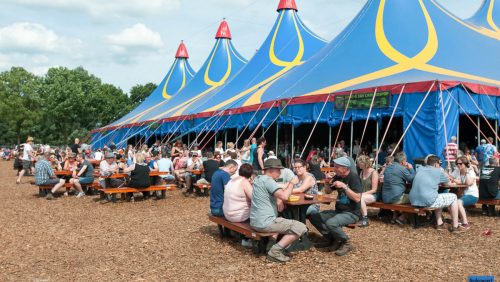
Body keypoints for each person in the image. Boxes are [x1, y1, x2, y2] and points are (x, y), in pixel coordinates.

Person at [250, 158, 305, 263]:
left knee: (280, 219)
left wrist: (278, 199)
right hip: (265, 223)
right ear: (270, 170)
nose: (280, 172)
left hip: (255, 221)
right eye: (278, 170)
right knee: (301, 227)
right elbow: (284, 196)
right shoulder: (268, 181)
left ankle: (271, 245)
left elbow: (273, 194)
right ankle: (275, 251)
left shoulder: (258, 179)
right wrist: (292, 183)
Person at [309, 157, 362, 256]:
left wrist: (344, 186)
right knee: (314, 216)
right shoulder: (338, 176)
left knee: (331, 223)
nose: (334, 168)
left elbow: (358, 198)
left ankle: (347, 243)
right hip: (339, 211)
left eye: (337, 167)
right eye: (334, 166)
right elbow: (328, 191)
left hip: (352, 213)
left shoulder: (353, 177)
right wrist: (327, 181)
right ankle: (333, 239)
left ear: (345, 168)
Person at [409, 155, 465, 232]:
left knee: (438, 196)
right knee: (454, 197)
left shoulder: (420, 169)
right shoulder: (438, 171)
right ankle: (455, 226)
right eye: (440, 163)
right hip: (427, 201)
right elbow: (448, 183)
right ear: (436, 164)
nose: (440, 165)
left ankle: (440, 223)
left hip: (413, 201)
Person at [223, 164, 254, 247]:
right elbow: (254, 198)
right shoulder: (244, 182)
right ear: (251, 174)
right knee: (259, 212)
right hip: (238, 216)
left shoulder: (231, 180)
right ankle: (246, 239)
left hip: (227, 214)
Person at [382, 152, 414, 225]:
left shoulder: (388, 167)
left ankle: (395, 216)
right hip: (396, 198)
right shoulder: (402, 168)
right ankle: (402, 217)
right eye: (405, 161)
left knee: (401, 192)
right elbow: (411, 179)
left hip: (385, 198)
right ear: (403, 161)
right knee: (416, 198)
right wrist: (411, 169)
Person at [449, 156, 477, 229]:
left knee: (458, 202)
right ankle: (456, 221)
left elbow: (469, 183)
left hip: (472, 195)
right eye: (457, 164)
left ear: (465, 164)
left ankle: (465, 223)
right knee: (450, 201)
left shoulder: (470, 171)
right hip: (461, 194)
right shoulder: (457, 170)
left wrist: (467, 172)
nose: (458, 165)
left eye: (460, 164)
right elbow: (450, 177)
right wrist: (454, 180)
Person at [357, 155, 379, 227]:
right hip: (363, 194)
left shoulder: (374, 172)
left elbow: (374, 189)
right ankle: (354, 215)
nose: (358, 164)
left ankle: (365, 219)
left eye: (360, 163)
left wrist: (361, 194)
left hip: (373, 195)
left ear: (365, 163)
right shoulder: (361, 172)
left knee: (360, 198)